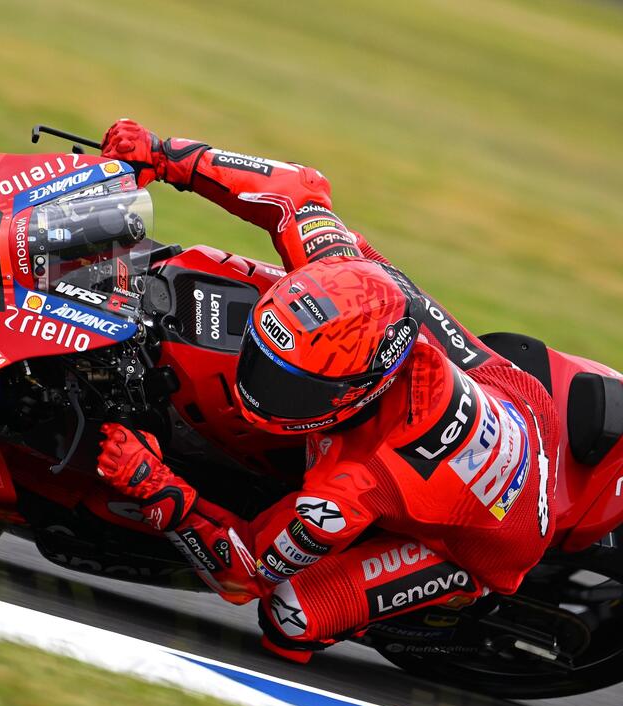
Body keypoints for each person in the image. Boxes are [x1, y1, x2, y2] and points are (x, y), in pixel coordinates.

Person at [94, 119, 559, 661]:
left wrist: (158, 488)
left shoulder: (350, 487)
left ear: (354, 394)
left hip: (495, 542)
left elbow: (245, 576)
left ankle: (448, 595)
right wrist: (166, 155)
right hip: (519, 398)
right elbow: (296, 189)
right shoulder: (345, 269)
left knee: (288, 619)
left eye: (291, 387)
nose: (260, 390)